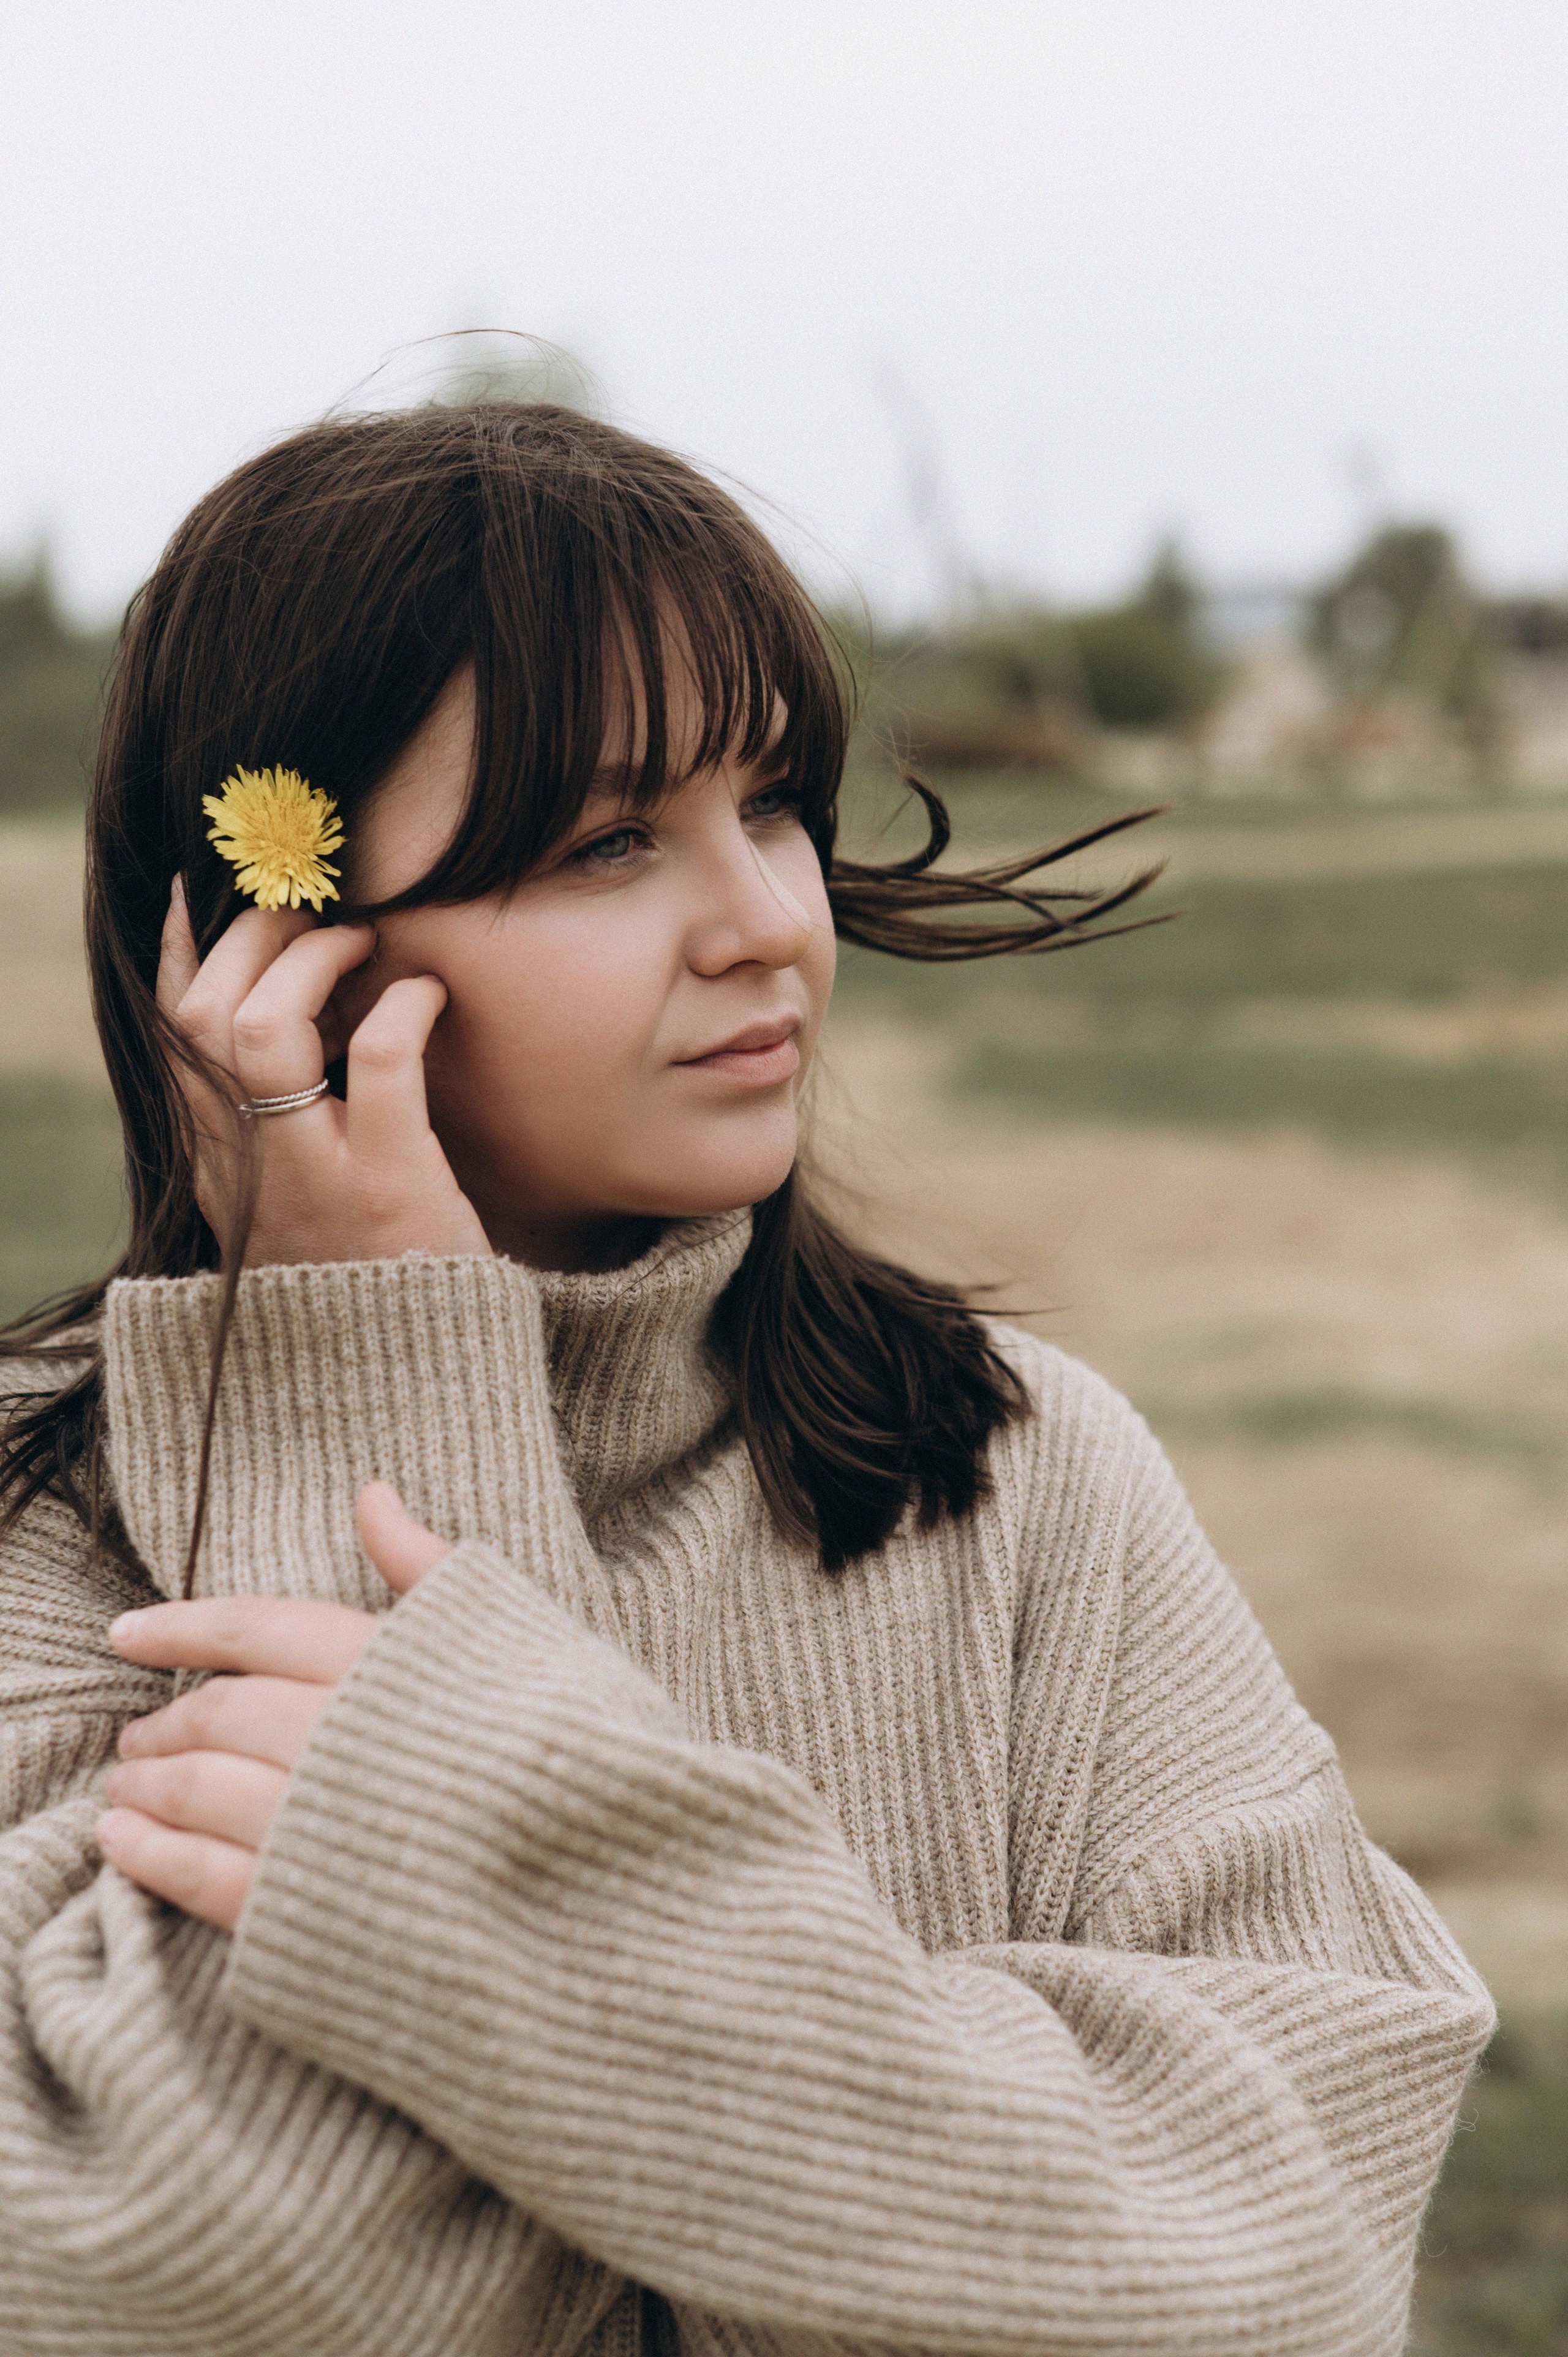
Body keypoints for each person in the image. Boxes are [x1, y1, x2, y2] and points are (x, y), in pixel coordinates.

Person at [0, 401, 1490, 2357]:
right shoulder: (50, 1534)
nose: (772, 921)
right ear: (286, 943)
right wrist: (364, 1381)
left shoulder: (1017, 1477)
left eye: (774, 803)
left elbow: (1282, 2267)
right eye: (613, 838)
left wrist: (531, 1894)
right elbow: (198, 2274)